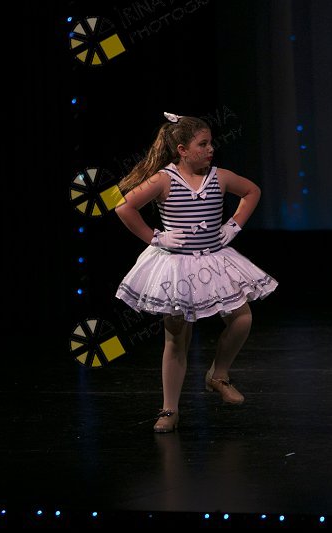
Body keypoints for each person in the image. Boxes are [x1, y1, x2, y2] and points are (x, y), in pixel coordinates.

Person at [115, 112, 278, 432]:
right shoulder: (164, 179)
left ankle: (219, 374)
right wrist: (155, 237)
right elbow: (124, 206)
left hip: (213, 260)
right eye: (202, 144)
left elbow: (252, 191)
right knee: (177, 337)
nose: (210, 149)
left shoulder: (220, 177)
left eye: (211, 143)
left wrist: (234, 225)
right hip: (177, 266)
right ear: (182, 150)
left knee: (242, 318)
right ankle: (169, 409)